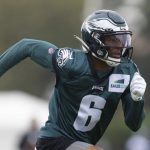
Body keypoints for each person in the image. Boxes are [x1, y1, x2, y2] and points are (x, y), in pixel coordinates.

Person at [0, 10, 147, 150]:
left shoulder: (126, 71)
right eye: (112, 40)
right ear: (94, 39)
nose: (119, 46)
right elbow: (26, 46)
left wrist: (137, 99)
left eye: (122, 40)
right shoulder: (71, 62)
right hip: (54, 142)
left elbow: (134, 124)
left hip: (83, 144)